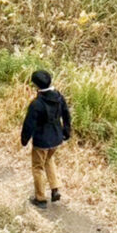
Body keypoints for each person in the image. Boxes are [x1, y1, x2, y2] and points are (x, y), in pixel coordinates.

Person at [20, 70, 71, 209]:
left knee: (38, 167)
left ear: (36, 86)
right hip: (56, 138)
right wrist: (66, 131)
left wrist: (24, 139)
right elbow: (66, 115)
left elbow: (29, 124)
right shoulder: (59, 96)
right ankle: (55, 189)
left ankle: (40, 198)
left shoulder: (37, 104)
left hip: (41, 141)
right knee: (49, 160)